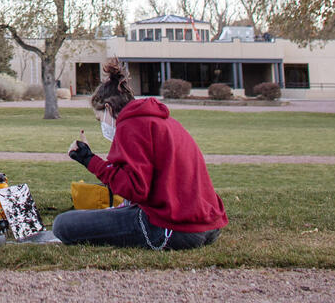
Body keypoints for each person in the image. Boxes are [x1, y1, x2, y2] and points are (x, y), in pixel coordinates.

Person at [54, 57, 227, 249]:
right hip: (208, 225)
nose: (102, 125)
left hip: (172, 228)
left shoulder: (130, 126)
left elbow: (135, 189)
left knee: (63, 225)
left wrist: (88, 159)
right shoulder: (160, 121)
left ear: (109, 108)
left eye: (99, 119)